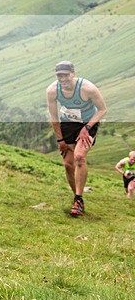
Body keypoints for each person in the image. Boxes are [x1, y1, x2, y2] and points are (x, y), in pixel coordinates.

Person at [46, 61, 108, 216]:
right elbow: (53, 116)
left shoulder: (88, 88)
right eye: (59, 76)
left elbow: (102, 110)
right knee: (68, 164)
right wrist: (60, 140)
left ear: (73, 73)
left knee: (79, 156)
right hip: (68, 123)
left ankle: (78, 199)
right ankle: (77, 197)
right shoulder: (52, 90)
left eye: (66, 75)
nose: (63, 79)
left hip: (88, 122)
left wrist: (86, 128)